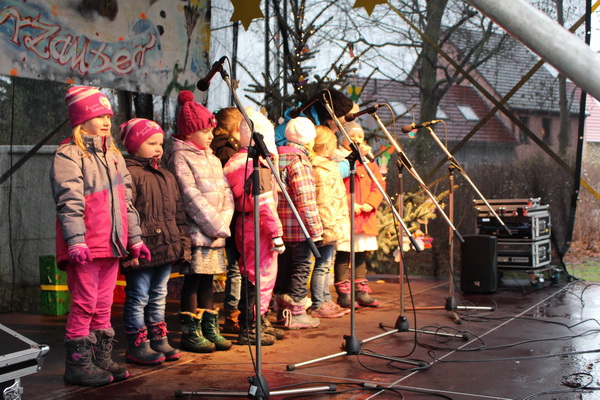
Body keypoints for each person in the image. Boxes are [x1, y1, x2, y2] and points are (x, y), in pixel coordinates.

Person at [50, 86, 150, 387]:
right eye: (99, 116)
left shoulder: (114, 156)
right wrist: (76, 241)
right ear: (81, 120)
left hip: (112, 244)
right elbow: (69, 201)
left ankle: (99, 358)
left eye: (108, 116)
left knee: (104, 305)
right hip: (86, 246)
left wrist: (135, 239)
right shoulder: (69, 154)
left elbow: (126, 202)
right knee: (85, 304)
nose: (106, 121)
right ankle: (77, 364)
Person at [165, 90, 235, 353]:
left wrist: (223, 220)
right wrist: (214, 224)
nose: (211, 136)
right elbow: (189, 195)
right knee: (193, 280)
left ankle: (209, 327)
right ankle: (190, 331)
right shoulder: (180, 157)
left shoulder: (213, 158)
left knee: (209, 280)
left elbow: (227, 192)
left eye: (211, 131)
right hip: (197, 232)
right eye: (205, 131)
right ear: (189, 132)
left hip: (216, 231)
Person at [119, 118, 191, 365]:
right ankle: (137, 343)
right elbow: (126, 212)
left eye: (160, 143)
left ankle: (158, 337)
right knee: (138, 295)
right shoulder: (129, 173)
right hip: (142, 249)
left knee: (159, 294)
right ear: (134, 144)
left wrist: (182, 244)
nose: (158, 148)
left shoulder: (166, 175)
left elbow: (178, 213)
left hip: (166, 247)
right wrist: (132, 244)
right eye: (151, 143)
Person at [224, 107, 286, 345]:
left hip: (246, 223)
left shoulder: (236, 161)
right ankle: (251, 324)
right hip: (258, 226)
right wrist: (276, 233)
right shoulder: (256, 164)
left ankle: (257, 319)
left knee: (250, 273)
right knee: (260, 274)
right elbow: (264, 203)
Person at [274, 117, 323, 330]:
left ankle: (282, 311)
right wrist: (316, 231)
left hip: (278, 227)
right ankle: (296, 313)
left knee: (283, 269)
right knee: (301, 268)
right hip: (298, 229)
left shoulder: (275, 157)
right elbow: (306, 200)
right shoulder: (299, 161)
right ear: (309, 140)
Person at [333, 121, 385, 308]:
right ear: (342, 139)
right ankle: (344, 293)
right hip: (346, 216)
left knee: (360, 254)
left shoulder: (369, 162)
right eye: (351, 136)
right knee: (344, 254)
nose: (356, 140)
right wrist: (350, 203)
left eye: (360, 137)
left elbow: (378, 185)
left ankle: (361, 290)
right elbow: (334, 186)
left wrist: (370, 203)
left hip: (364, 216)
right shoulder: (338, 161)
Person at [309, 125, 351, 318]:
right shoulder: (321, 168)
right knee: (323, 264)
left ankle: (326, 300)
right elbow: (323, 200)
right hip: (327, 223)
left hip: (331, 221)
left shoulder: (327, 165)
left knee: (326, 264)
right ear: (327, 145)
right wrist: (329, 226)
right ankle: (319, 303)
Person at [211, 107, 243, 333]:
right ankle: (233, 313)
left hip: (224, 215)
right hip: (232, 215)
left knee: (234, 266)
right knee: (236, 267)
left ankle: (233, 311)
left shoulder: (216, 147)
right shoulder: (228, 150)